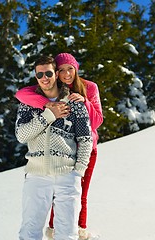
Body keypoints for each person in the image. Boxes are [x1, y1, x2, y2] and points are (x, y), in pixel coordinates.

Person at [15, 53, 103, 239]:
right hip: (37, 175)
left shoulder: (75, 103)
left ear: (55, 74)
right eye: (39, 75)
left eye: (48, 73)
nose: (44, 79)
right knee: (30, 230)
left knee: (67, 232)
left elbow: (85, 139)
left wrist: (78, 171)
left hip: (67, 174)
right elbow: (22, 136)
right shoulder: (28, 105)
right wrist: (49, 114)